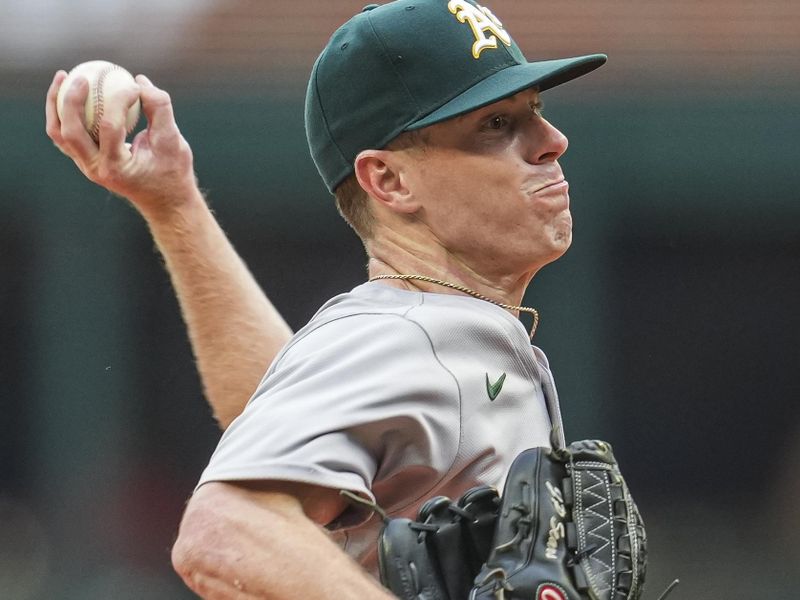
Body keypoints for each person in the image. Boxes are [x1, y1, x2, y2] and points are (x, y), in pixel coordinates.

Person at [47, 1, 606, 598]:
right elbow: (224, 531)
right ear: (390, 181)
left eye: (536, 112)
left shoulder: (421, 335)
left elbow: (268, 416)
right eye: (496, 124)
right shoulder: (413, 336)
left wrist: (175, 206)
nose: (552, 141)